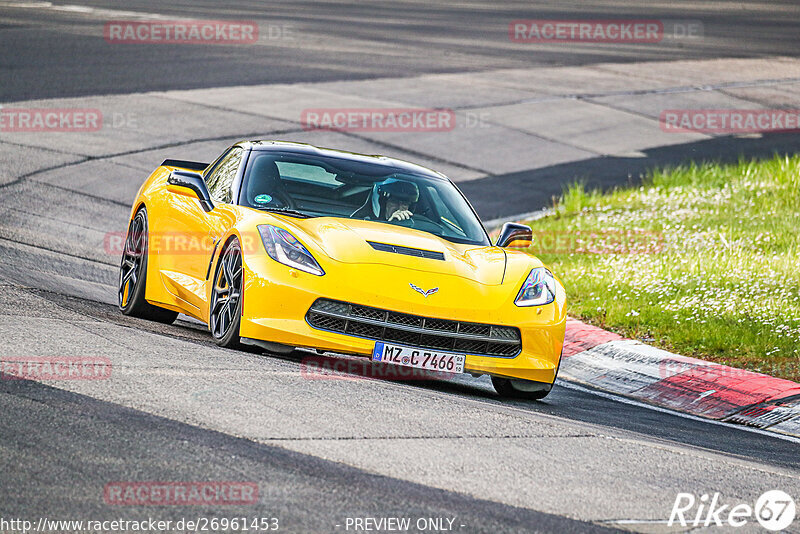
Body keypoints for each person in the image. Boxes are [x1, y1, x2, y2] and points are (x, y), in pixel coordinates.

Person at [352, 177, 419, 222]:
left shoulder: (418, 227)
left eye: (405, 203)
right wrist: (391, 224)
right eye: (394, 201)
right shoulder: (360, 221)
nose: (399, 208)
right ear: (382, 203)